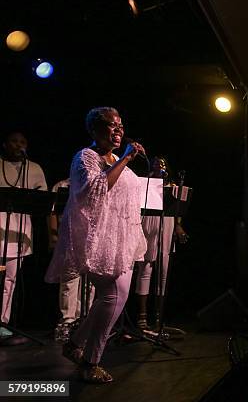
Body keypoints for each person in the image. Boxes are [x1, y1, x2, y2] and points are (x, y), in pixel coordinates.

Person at [45, 107, 147, 383]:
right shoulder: (86, 157)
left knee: (110, 299)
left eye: (121, 126)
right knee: (114, 297)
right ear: (94, 130)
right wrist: (126, 158)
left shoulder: (116, 159)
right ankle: (90, 361)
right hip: (98, 240)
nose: (118, 130)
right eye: (110, 126)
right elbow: (95, 192)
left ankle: (75, 344)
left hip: (120, 240)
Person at [0, 131, 47, 339]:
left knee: (9, 280)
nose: (18, 145)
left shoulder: (34, 168)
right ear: (4, 144)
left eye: (22, 142)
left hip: (18, 235)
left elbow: (43, 199)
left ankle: (2, 323)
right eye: (13, 141)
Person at [134, 156, 188, 330]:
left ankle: (158, 316)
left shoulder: (172, 187)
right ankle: (141, 316)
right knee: (146, 269)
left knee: (164, 269)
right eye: (156, 162)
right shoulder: (145, 184)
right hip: (148, 223)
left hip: (167, 224)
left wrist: (179, 227)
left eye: (163, 163)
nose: (160, 165)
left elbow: (179, 210)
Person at [47, 177, 95, 342]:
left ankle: (86, 320)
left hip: (91, 239)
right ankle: (68, 321)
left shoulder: (98, 182)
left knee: (90, 282)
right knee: (69, 279)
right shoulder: (61, 186)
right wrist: (53, 237)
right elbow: (52, 211)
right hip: (69, 236)